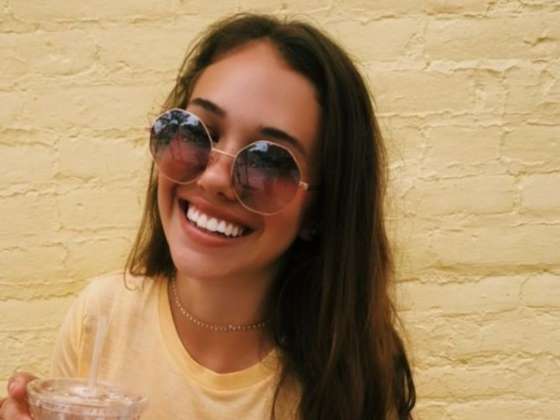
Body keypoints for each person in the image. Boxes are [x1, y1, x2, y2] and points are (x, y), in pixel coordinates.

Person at [0, 13, 416, 420]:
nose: (215, 178)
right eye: (198, 132)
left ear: (321, 210)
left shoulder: (350, 381)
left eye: (269, 162)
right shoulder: (101, 316)